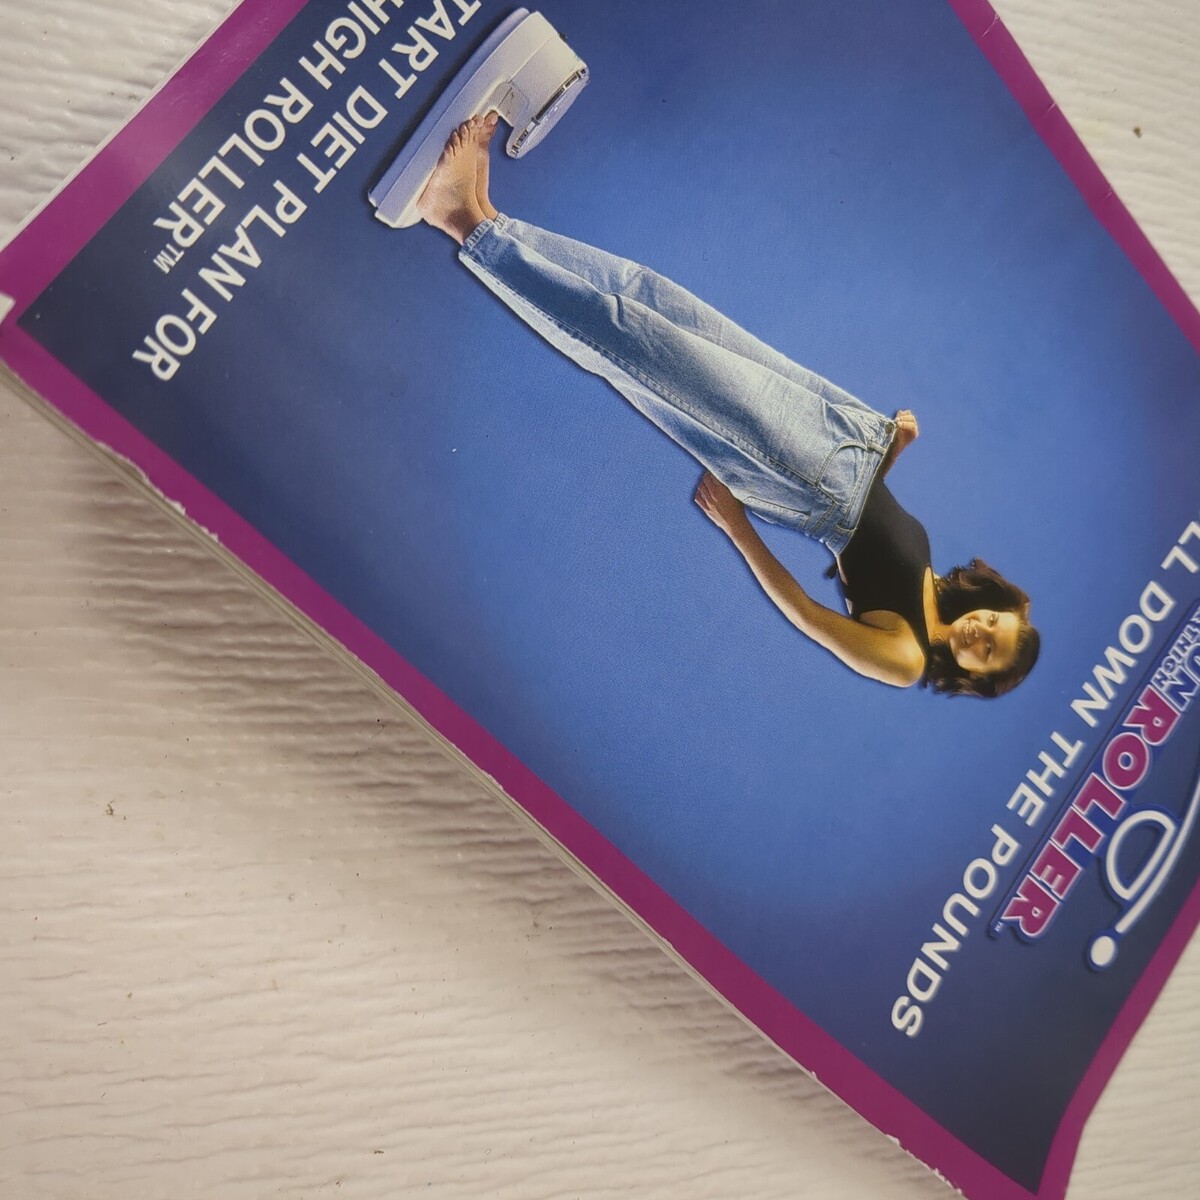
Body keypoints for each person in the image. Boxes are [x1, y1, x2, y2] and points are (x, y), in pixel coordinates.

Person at [414, 116, 1039, 698]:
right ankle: (491, 218)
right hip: (838, 434)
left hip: (798, 472)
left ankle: (460, 220)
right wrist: (890, 453)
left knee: (637, 348)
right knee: (651, 298)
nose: (979, 632)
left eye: (987, 651)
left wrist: (739, 530)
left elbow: (808, 615)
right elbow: (874, 531)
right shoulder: (931, 586)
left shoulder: (905, 659)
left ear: (973, 675)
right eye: (994, 623)